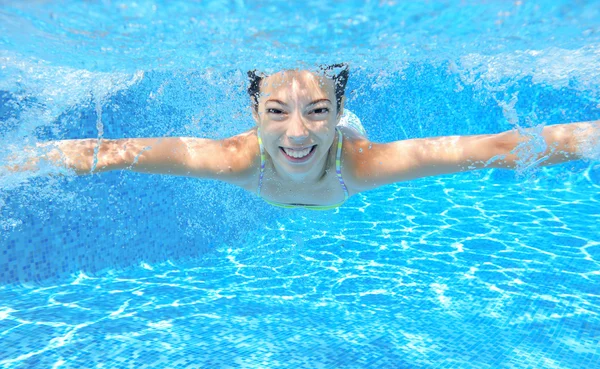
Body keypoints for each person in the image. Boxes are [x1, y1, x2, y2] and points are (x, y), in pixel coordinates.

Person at [3, 64, 599, 210]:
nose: (296, 133)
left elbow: (496, 149)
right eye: (277, 111)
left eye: (317, 110)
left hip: (340, 160)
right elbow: (107, 154)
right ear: (255, 112)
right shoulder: (235, 159)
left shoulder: (361, 164)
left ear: (339, 111)